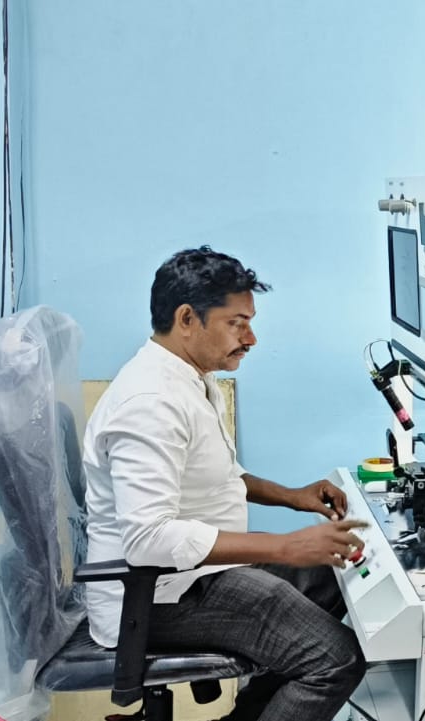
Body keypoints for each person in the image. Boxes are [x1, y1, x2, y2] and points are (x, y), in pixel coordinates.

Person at [82, 246, 367, 721]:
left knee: (332, 576)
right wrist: (284, 547)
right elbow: (147, 539)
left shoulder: (189, 377)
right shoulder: (150, 403)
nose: (251, 338)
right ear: (187, 319)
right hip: (153, 598)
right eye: (237, 323)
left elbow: (216, 477)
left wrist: (293, 497)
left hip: (190, 576)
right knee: (335, 659)